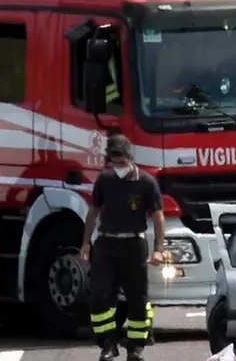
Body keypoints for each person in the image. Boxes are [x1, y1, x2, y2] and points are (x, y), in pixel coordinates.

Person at [82, 134, 166, 361]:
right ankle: (107, 344)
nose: (118, 165)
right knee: (99, 294)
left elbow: (158, 217)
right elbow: (93, 212)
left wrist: (159, 248)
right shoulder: (105, 180)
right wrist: (85, 244)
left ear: (131, 157)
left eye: (121, 160)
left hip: (134, 245)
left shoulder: (146, 182)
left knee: (138, 299)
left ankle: (136, 347)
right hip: (106, 244)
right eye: (114, 160)